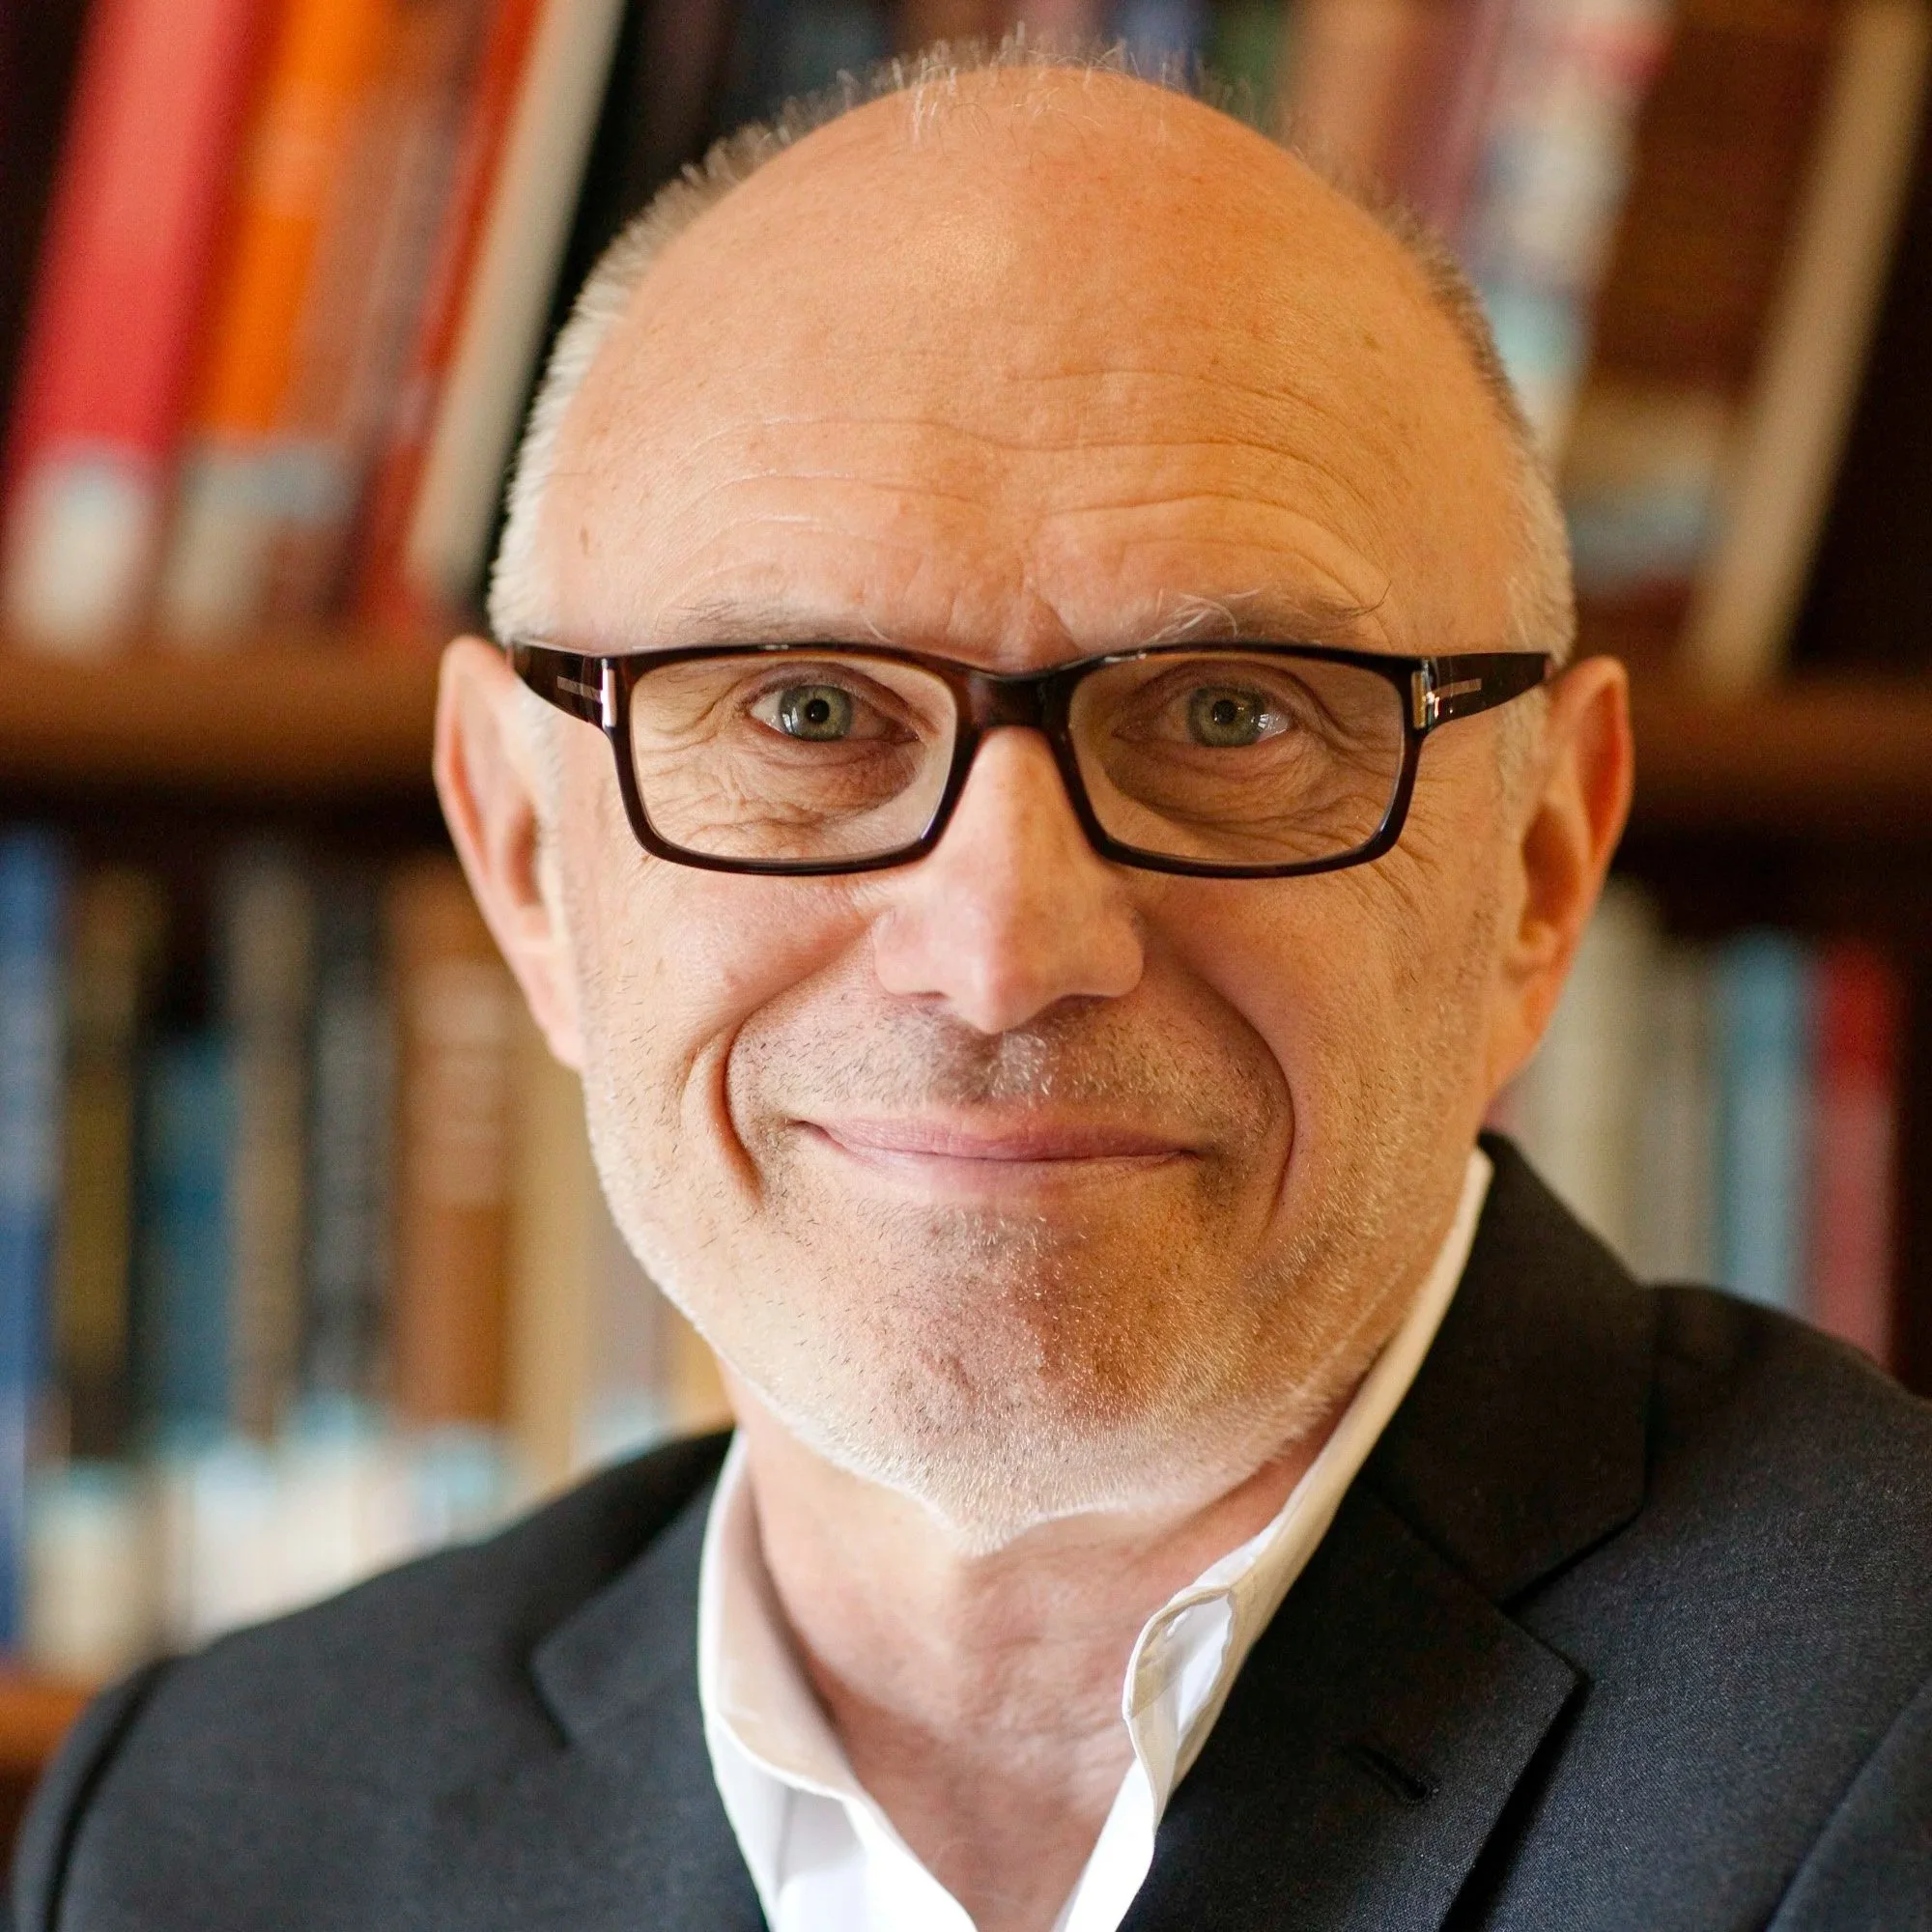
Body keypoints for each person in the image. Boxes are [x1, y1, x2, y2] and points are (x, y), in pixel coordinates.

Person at [15, 46, 1932, 1932]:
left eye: (1229, 712)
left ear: (1536, 862)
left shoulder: (1884, 1737)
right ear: (525, 856)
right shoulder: (216, 1832)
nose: (1005, 948)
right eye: (806, 710)